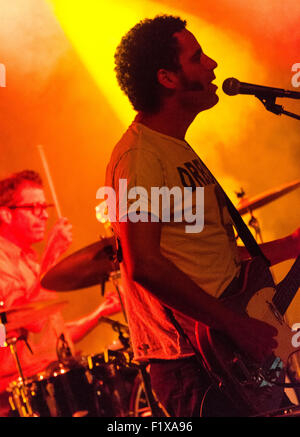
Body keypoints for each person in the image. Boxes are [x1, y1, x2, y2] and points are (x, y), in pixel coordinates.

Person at [105, 15, 300, 417]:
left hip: (231, 356)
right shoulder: (140, 156)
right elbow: (144, 265)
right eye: (197, 58)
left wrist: (292, 245)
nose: (212, 64)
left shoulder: (176, 149)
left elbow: (207, 257)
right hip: (194, 364)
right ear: (167, 78)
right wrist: (235, 325)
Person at [0, 170, 121, 416]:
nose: (44, 214)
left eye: (45, 206)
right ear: (5, 214)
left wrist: (100, 312)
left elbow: (53, 341)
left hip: (50, 379)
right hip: (20, 396)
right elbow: (29, 320)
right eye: (34, 207)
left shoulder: (30, 260)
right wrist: (52, 254)